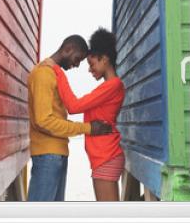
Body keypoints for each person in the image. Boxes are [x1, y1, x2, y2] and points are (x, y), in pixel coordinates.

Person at [27, 34, 113, 202]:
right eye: (77, 59)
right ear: (67, 49)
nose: (77, 64)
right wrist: (88, 128)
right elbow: (43, 121)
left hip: (55, 155)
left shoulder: (54, 74)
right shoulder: (44, 74)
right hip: (47, 156)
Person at [51, 28, 125, 201]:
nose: (90, 70)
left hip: (106, 156)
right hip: (103, 156)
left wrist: (58, 72)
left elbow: (74, 106)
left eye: (92, 64)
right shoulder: (109, 87)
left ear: (104, 59)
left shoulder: (113, 85)